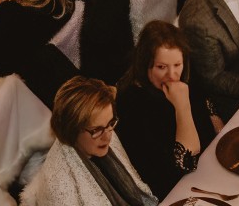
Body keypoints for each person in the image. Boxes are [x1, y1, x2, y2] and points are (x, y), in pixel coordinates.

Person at [113, 22, 220, 198]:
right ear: (145, 64)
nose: (172, 75)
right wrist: (182, 107)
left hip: (208, 169)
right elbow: (185, 164)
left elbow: (207, 105)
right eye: (161, 67)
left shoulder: (185, 75)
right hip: (178, 191)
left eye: (177, 65)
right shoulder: (131, 103)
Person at [19, 76, 157, 206]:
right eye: (96, 130)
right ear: (72, 130)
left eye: (110, 123)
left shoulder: (105, 132)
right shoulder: (58, 187)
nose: (108, 136)